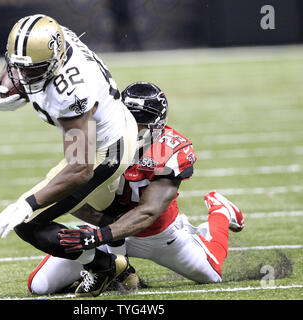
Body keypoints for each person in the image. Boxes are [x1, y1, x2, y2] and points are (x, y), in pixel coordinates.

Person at [26, 82, 245, 296]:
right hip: (106, 231)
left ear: (157, 124)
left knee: (211, 275)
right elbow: (67, 190)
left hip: (158, 235)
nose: (132, 127)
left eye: (139, 122)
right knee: (39, 286)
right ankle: (115, 270)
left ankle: (221, 212)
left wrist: (97, 237)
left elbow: (148, 212)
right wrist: (102, 226)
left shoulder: (169, 150)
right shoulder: (99, 138)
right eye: (128, 118)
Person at [0, 14, 138, 296]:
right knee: (84, 207)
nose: (21, 77)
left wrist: (29, 204)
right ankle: (124, 259)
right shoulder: (48, 39)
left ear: (54, 63)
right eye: (17, 68)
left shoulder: (70, 91)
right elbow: (20, 61)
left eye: (31, 72)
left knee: (28, 223)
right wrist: (2, 83)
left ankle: (106, 266)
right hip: (111, 130)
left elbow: (80, 168)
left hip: (106, 151)